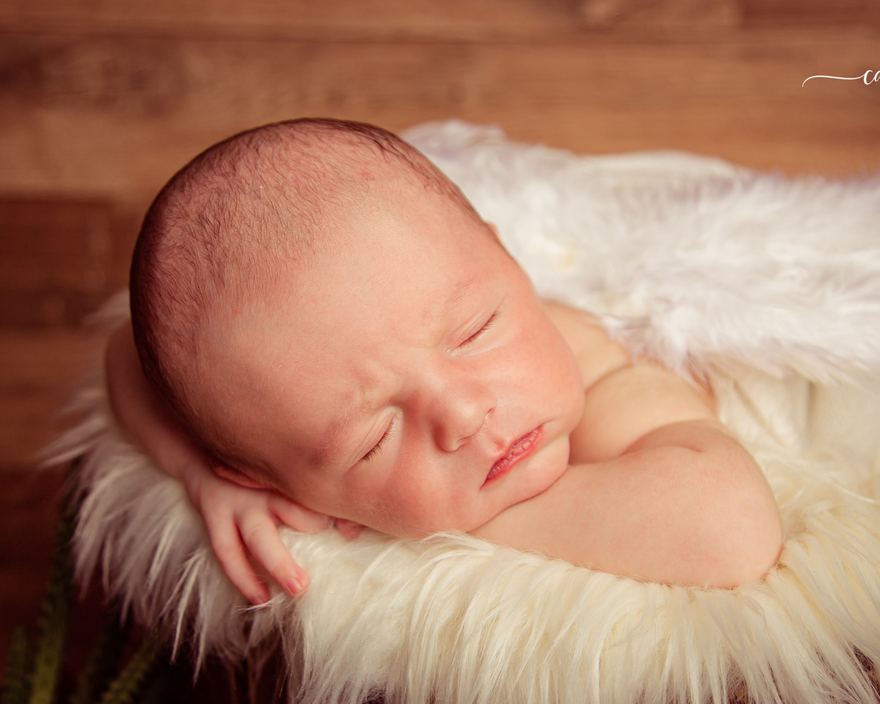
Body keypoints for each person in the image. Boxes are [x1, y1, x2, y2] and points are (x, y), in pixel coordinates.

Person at [104, 118, 783, 606]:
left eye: (474, 330)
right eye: (374, 441)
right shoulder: (283, 407)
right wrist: (200, 471)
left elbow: (731, 530)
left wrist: (449, 525)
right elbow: (127, 353)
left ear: (507, 257)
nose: (461, 412)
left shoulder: (602, 371)